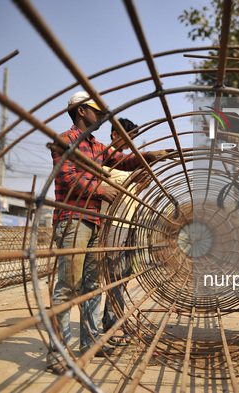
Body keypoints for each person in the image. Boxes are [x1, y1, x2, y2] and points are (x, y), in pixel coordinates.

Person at [47, 92, 169, 374]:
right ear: (81, 111)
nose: (101, 116)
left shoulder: (96, 146)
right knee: (68, 286)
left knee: (91, 285)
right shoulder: (64, 140)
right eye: (96, 112)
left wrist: (146, 157)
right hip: (73, 219)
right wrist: (101, 190)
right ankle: (58, 353)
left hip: (94, 221)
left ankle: (90, 343)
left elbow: (120, 160)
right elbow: (67, 176)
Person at [100, 118, 144, 346]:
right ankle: (112, 324)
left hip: (129, 223)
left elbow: (133, 190)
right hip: (114, 223)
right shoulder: (105, 158)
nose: (133, 141)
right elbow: (105, 189)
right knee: (114, 274)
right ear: (117, 134)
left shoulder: (126, 162)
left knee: (124, 274)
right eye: (130, 136)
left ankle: (114, 319)